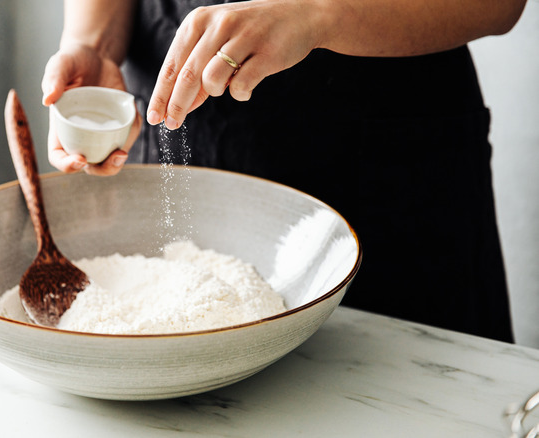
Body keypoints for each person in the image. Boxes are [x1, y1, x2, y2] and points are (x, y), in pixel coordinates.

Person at [40, 0, 526, 342]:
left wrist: (318, 13)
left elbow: (501, 3)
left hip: (390, 163)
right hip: (177, 115)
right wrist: (95, 46)